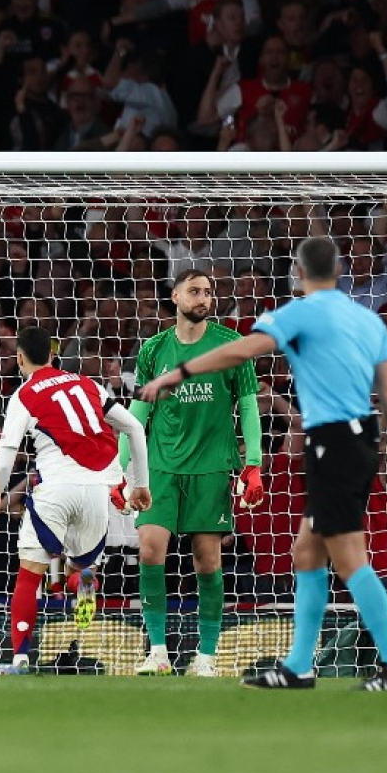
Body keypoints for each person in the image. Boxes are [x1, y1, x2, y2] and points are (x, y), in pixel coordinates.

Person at [142, 237, 387, 691]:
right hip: (361, 442)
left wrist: (181, 371)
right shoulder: (369, 320)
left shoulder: (299, 312)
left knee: (350, 560)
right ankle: (298, 667)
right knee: (306, 552)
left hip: (333, 444)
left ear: (299, 272)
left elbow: (242, 350)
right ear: (339, 271)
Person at [121, 268, 262, 677]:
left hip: (211, 466)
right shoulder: (153, 349)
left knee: (207, 561)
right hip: (160, 466)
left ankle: (207, 656)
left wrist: (253, 463)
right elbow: (138, 413)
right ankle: (158, 653)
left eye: (209, 292)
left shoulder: (231, 345)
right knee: (150, 549)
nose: (204, 299)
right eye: (195, 291)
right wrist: (119, 469)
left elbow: (248, 405)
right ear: (176, 297)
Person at [0, 326, 151, 674]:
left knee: (30, 574)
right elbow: (135, 428)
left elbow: (5, 455)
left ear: (19, 358)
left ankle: (19, 659)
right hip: (97, 491)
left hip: (55, 488)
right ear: (53, 355)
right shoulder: (87, 384)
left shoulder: (24, 394)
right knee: (80, 567)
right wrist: (141, 485)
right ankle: (83, 582)